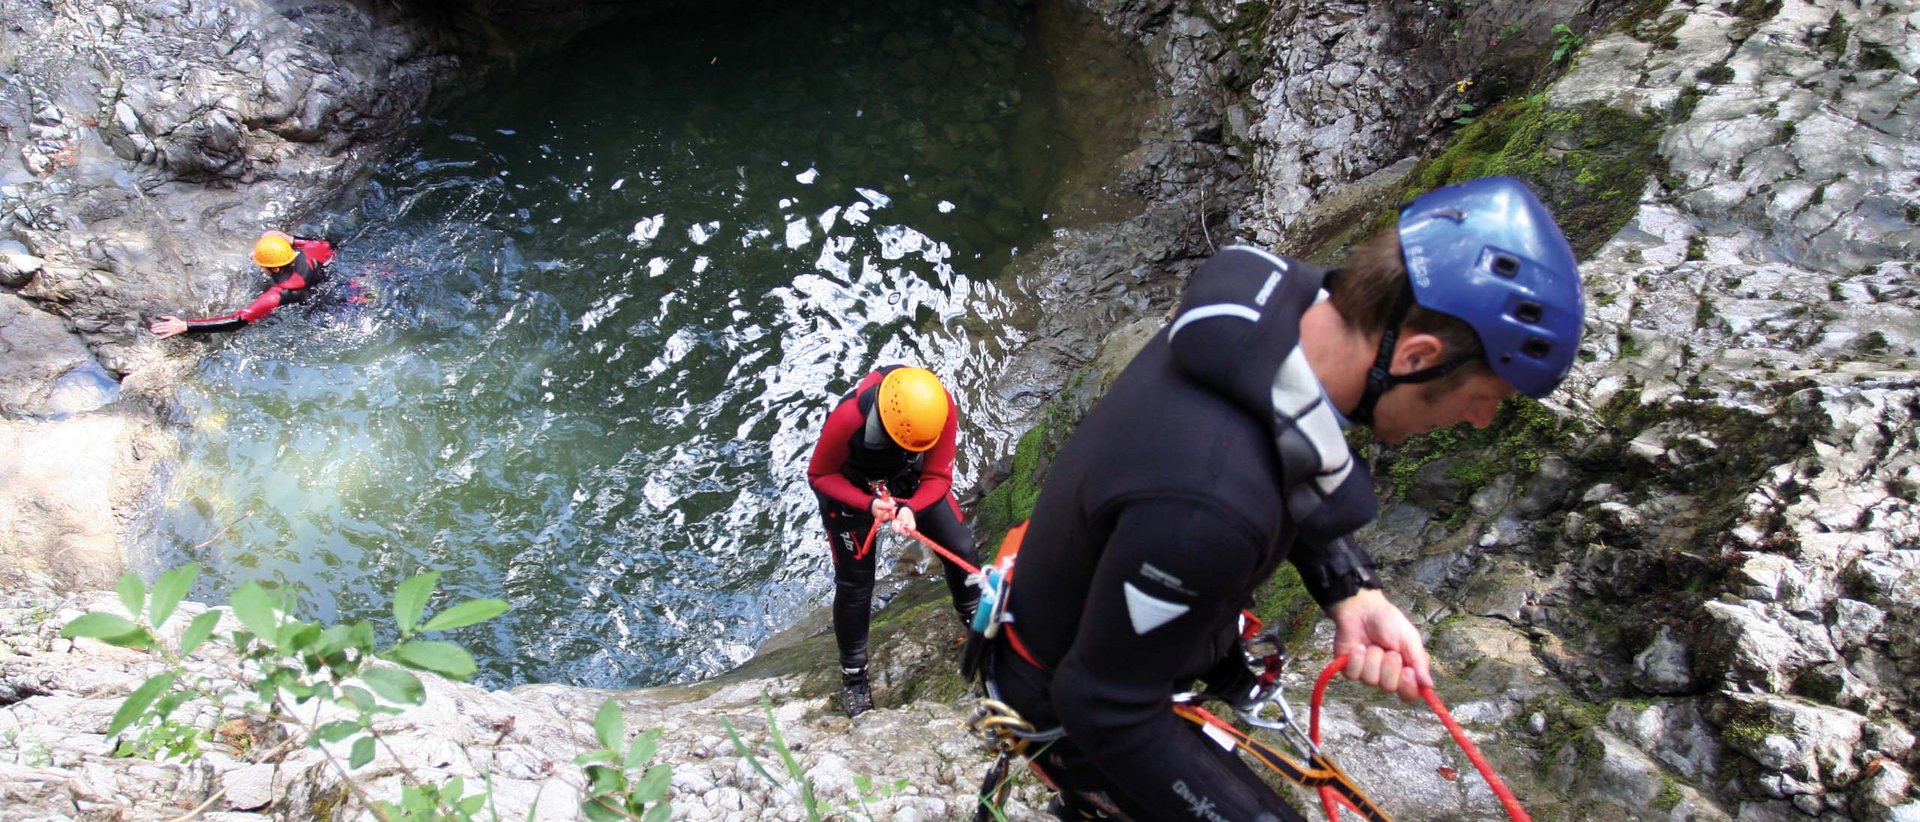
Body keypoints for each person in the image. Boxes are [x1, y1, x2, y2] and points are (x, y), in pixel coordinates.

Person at [980, 176, 1584, 820]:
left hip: (1097, 634)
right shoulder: (1209, 509)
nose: (1482, 420)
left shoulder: (1272, 308)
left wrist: (1351, 588)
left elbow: (1287, 433)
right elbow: (1105, 708)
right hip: (1069, 702)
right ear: (1416, 356)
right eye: (1485, 396)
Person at [808, 364, 983, 717]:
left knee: (961, 548)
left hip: (907, 477)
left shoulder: (939, 408)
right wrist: (868, 504)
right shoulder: (849, 418)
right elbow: (820, 474)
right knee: (855, 584)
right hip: (850, 489)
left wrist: (911, 509)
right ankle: (854, 677)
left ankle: (978, 627)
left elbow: (937, 475)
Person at [148, 231, 335, 337]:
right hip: (336, 293)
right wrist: (291, 239)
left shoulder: (277, 294)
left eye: (263, 265)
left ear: (275, 268)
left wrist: (186, 325)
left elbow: (237, 321)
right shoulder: (309, 255)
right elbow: (327, 245)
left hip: (316, 315)